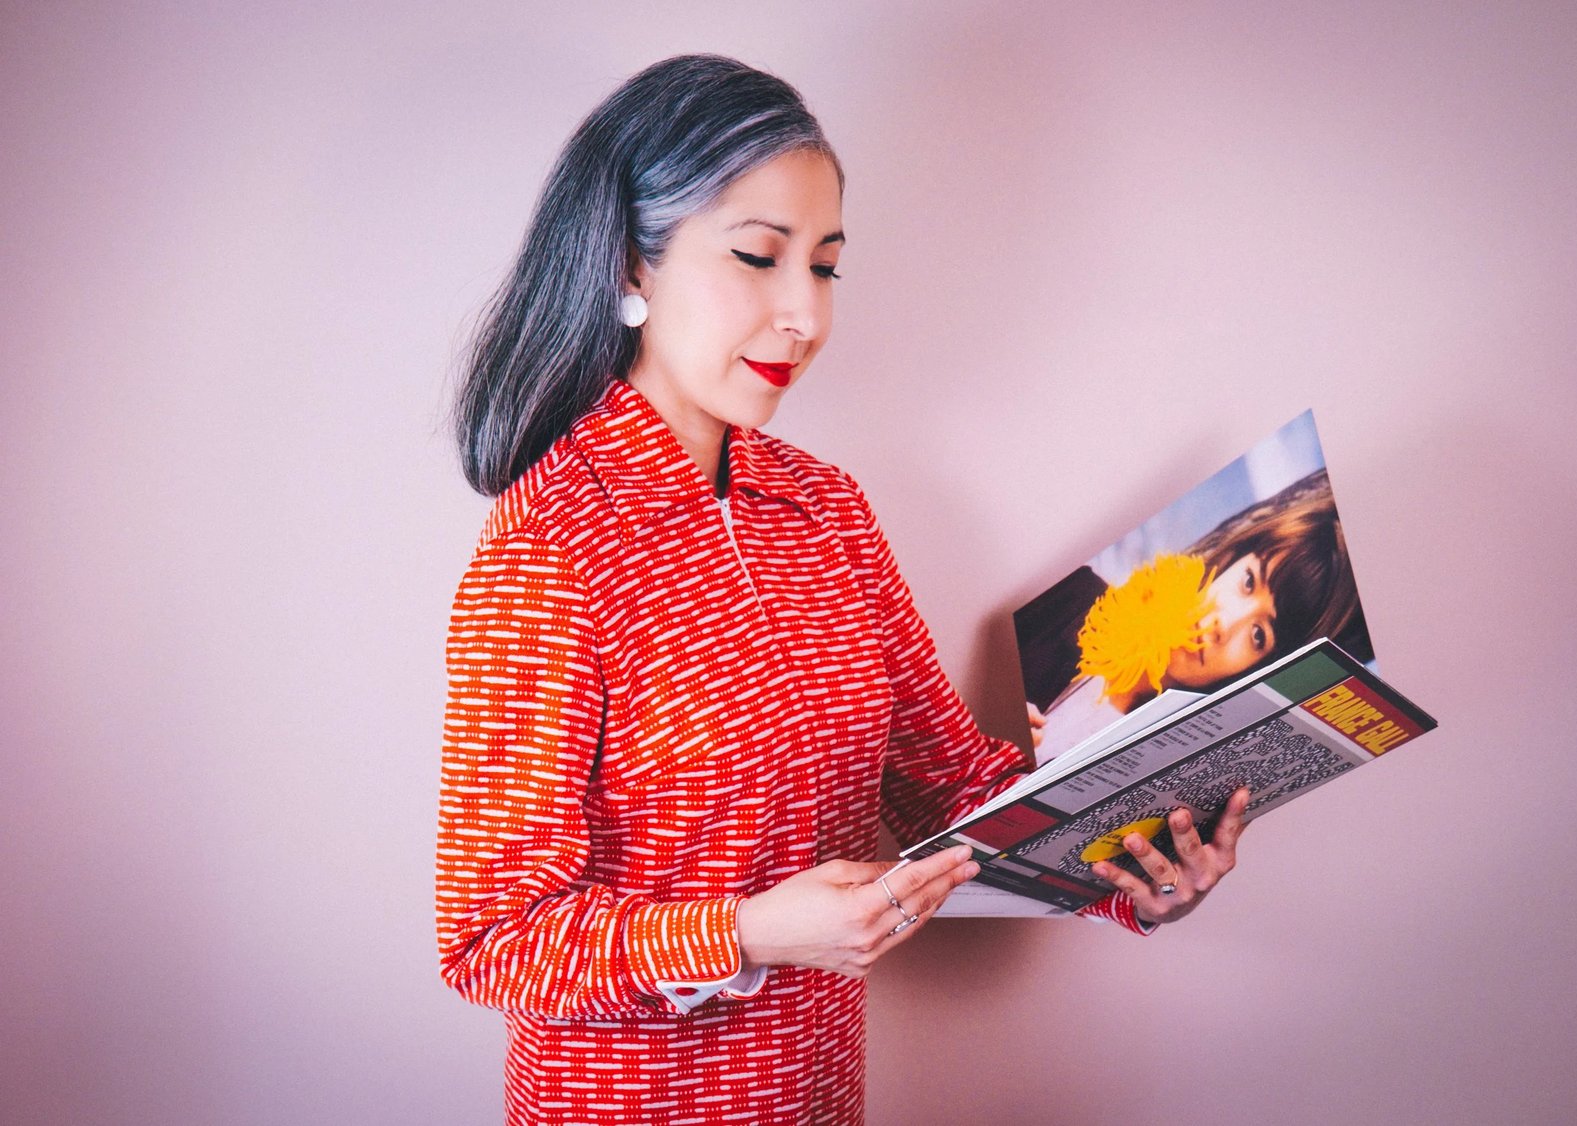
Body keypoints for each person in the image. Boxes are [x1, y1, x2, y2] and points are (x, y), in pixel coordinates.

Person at [435, 54, 1246, 1126]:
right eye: (759, 257)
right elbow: (494, 940)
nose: (805, 316)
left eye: (823, 268)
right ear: (633, 263)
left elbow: (951, 783)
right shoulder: (551, 546)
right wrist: (748, 933)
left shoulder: (827, 508)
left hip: (818, 1095)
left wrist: (1134, 863)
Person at [1019, 468, 1371, 754]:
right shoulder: (1073, 598)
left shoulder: (1171, 753)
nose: (1224, 623)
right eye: (1248, 581)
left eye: (1258, 635)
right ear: (1232, 561)